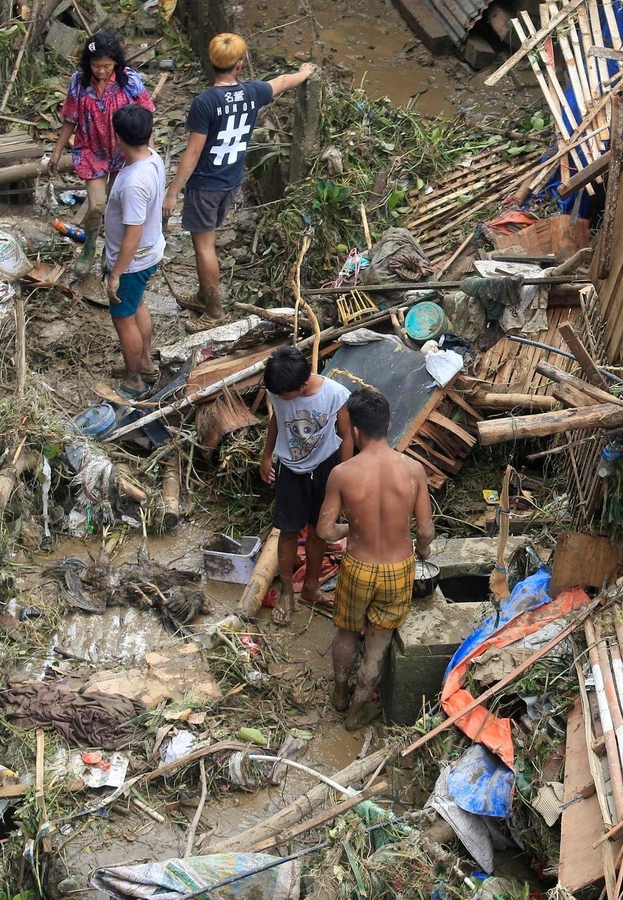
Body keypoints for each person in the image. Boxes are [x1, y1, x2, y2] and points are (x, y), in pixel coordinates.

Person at [161, 34, 316, 323]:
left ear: (212, 63)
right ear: (239, 66)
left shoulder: (204, 103)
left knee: (204, 247)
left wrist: (171, 193)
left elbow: (192, 153)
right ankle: (203, 296)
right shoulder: (253, 93)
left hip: (205, 184)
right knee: (208, 241)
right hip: (231, 181)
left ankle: (214, 311)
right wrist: (304, 73)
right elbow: (282, 82)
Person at [317, 388, 435, 731]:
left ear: (355, 431)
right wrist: (423, 553)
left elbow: (325, 530)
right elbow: (425, 530)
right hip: (398, 569)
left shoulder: (343, 473)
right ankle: (357, 710)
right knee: (378, 644)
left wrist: (350, 528)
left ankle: (339, 692)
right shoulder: (414, 470)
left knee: (346, 634)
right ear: (388, 424)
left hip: (358, 565)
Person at [261, 345, 353, 625]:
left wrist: (345, 475)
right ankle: (287, 590)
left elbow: (347, 437)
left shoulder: (335, 394)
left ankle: (310, 588)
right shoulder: (278, 390)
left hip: (326, 467)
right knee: (287, 532)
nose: (278, 397)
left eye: (283, 394)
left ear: (301, 387)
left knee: (319, 531)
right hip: (290, 469)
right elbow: (276, 421)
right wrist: (267, 457)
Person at [50, 32, 154, 272]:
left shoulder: (129, 81)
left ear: (116, 62)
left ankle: (110, 250)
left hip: (124, 151)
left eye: (107, 66)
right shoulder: (79, 81)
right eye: (96, 66)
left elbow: (145, 116)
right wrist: (56, 151)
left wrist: (149, 155)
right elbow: (70, 118)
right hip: (91, 149)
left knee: (117, 207)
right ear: (88, 64)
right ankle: (88, 248)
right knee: (96, 206)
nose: (102, 71)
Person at [103, 105, 166, 397]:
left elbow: (133, 232)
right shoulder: (154, 159)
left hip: (132, 262)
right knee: (138, 305)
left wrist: (115, 274)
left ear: (118, 138)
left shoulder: (132, 183)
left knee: (123, 318)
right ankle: (147, 364)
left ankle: (134, 380)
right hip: (151, 252)